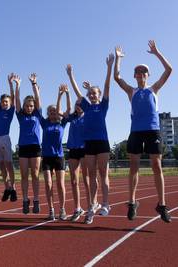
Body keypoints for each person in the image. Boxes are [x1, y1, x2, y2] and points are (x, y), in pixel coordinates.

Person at [114, 41, 172, 223]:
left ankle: (161, 205)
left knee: (156, 166)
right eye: (138, 72)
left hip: (153, 131)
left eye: (143, 72)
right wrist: (118, 59)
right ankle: (132, 202)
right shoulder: (131, 91)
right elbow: (117, 77)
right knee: (134, 167)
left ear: (147, 75)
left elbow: (169, 70)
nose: (140, 74)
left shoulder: (153, 89)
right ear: (135, 76)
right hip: (136, 132)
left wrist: (157, 53)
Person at [66, 53, 114, 224]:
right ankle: (92, 206)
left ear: (99, 95)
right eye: (91, 93)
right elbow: (78, 92)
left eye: (95, 93)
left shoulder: (103, 106)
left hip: (102, 142)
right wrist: (71, 76)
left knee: (103, 174)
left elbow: (107, 86)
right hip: (89, 143)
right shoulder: (85, 106)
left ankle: (106, 203)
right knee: (91, 175)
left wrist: (109, 68)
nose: (93, 95)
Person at [65, 69, 96, 222]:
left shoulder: (89, 115)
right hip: (73, 149)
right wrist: (66, 94)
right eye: (76, 105)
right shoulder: (72, 118)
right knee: (73, 180)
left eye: (80, 104)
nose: (78, 106)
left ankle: (91, 207)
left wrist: (73, 78)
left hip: (85, 149)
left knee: (86, 179)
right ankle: (78, 208)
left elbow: (87, 98)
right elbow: (62, 111)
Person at [40, 84, 70, 221]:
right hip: (46, 157)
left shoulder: (62, 123)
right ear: (48, 114)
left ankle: (62, 209)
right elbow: (38, 107)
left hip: (59, 157)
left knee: (60, 184)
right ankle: (51, 209)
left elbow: (65, 110)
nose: (53, 112)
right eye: (50, 111)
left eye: (55, 111)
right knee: (48, 184)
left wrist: (62, 95)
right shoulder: (44, 123)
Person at [15, 73, 41, 215]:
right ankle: (25, 200)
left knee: (35, 175)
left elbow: (37, 98)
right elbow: (17, 100)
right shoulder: (21, 115)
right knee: (24, 175)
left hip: (35, 147)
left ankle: (36, 200)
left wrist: (34, 84)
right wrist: (17, 86)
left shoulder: (37, 113)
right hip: (24, 147)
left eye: (31, 106)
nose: (29, 108)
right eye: (27, 106)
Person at [0, 67, 17, 202]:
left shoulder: (11, 110)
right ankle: (7, 188)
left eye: (6, 101)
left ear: (9, 103)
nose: (4, 103)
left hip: (5, 138)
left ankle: (13, 188)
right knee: (1, 166)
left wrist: (10, 83)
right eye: (2, 102)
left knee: (9, 164)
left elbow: (12, 96)